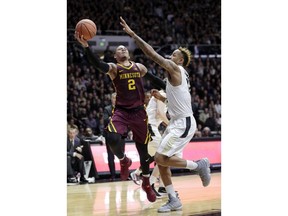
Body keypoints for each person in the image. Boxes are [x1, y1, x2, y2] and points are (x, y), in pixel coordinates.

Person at [120, 17, 211, 212]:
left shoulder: (175, 69)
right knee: (161, 163)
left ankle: (199, 165)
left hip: (183, 123)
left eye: (175, 54)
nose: (171, 55)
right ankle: (173, 199)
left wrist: (133, 35)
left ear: (180, 60)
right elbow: (174, 97)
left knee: (161, 157)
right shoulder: (177, 76)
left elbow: (152, 54)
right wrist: (162, 99)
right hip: (177, 122)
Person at [75, 31, 166, 202]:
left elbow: (155, 80)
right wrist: (86, 47)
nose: (123, 49)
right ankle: (124, 160)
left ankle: (146, 183)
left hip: (139, 112)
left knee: (143, 150)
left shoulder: (139, 67)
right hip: (122, 111)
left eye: (125, 48)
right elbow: (98, 64)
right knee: (112, 137)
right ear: (116, 56)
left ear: (128, 53)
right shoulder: (114, 68)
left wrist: (171, 88)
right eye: (119, 49)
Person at [130, 89, 169, 199]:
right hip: (149, 127)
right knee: (164, 155)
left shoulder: (163, 96)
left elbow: (159, 114)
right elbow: (161, 114)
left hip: (149, 127)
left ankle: (160, 186)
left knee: (157, 157)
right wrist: (171, 125)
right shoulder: (162, 94)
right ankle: (149, 184)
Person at [103, 92, 125, 181]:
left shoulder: (123, 109)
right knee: (110, 156)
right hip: (110, 135)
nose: (115, 100)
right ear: (111, 99)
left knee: (122, 156)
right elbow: (105, 120)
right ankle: (113, 175)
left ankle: (123, 175)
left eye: (117, 98)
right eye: (114, 98)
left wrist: (112, 119)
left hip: (121, 135)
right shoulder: (107, 109)